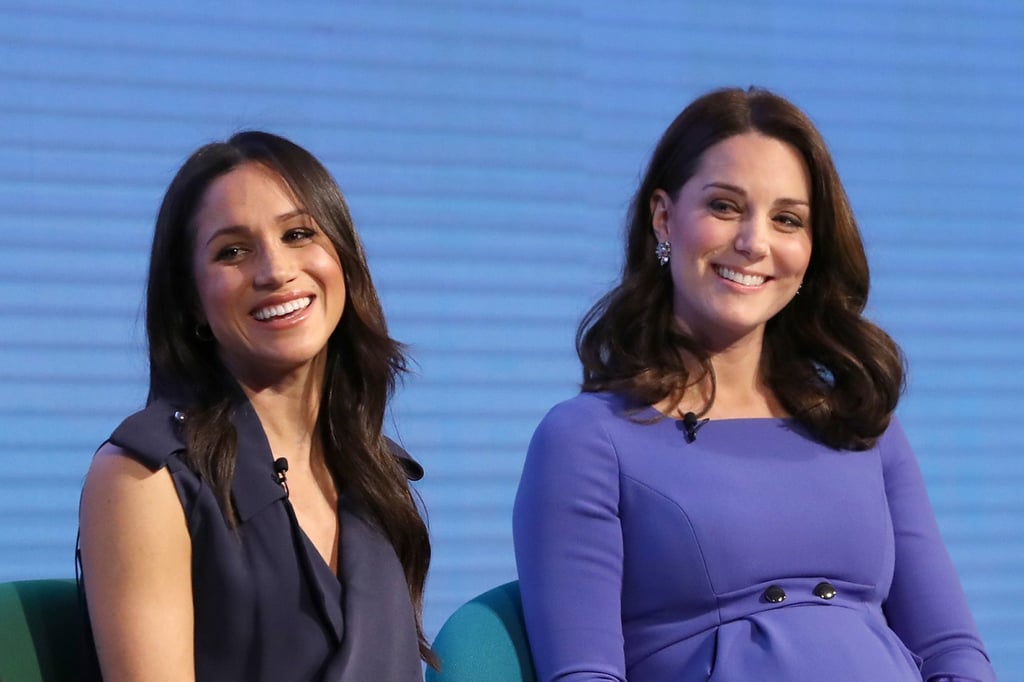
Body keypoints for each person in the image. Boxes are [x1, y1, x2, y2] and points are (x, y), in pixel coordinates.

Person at [513, 87, 996, 682]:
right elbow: (585, 675)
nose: (754, 242)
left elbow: (950, 650)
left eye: (787, 219)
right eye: (723, 206)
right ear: (663, 217)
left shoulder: (859, 423)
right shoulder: (587, 440)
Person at [78, 131, 434, 681]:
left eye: (297, 234)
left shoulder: (377, 474)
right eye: (233, 252)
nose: (274, 271)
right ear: (193, 300)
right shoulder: (145, 476)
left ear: (343, 259)